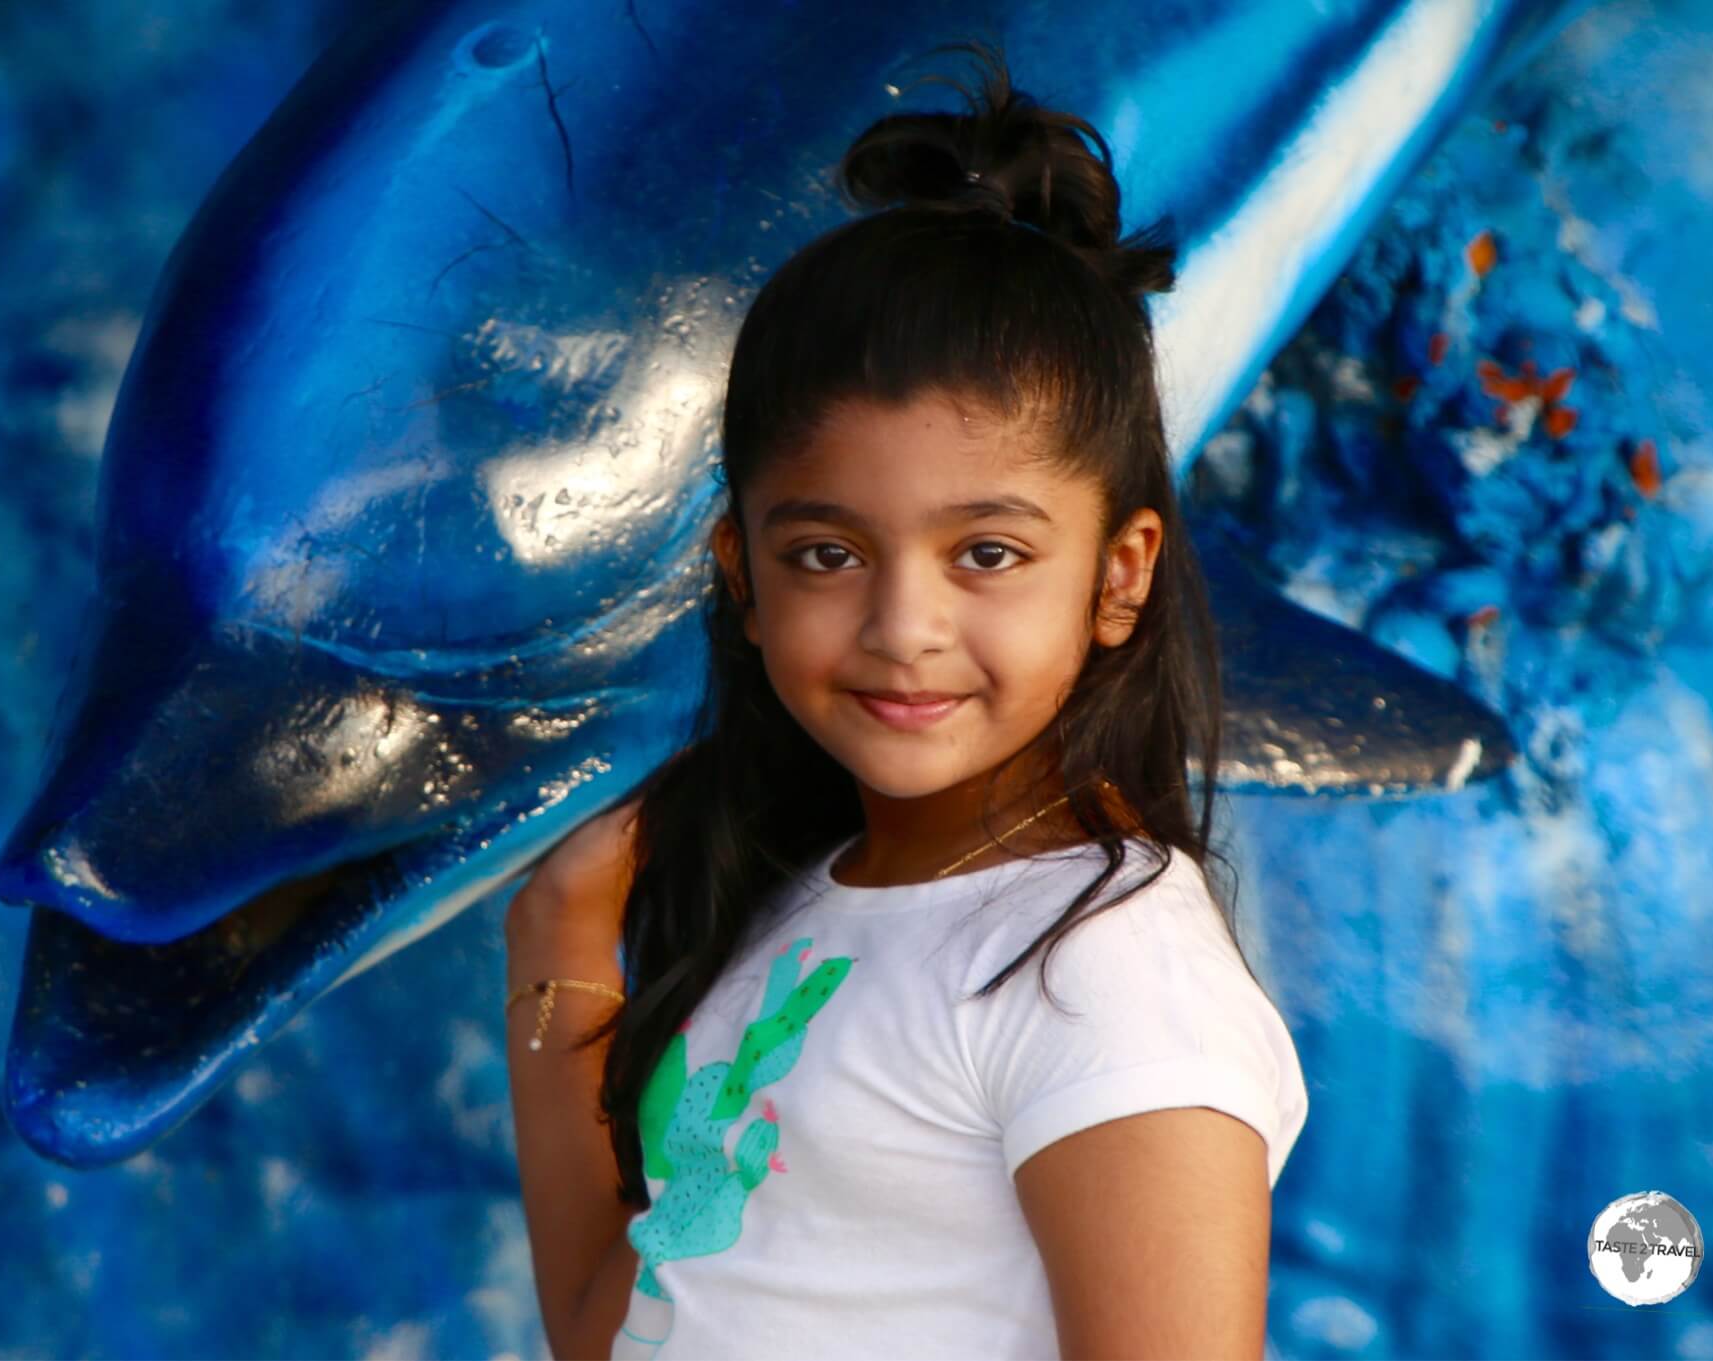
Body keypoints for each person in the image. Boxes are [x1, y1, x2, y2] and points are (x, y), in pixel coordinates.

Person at [503, 39, 1309, 1361]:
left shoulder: (1102, 971)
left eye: (987, 552)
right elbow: (628, 1331)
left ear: (1119, 576)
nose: (901, 627)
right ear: (740, 576)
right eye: (827, 552)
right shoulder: (813, 900)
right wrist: (558, 951)